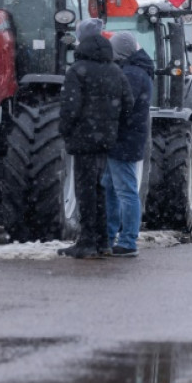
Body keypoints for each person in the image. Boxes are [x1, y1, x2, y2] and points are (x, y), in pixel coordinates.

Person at [57, 19, 134, 259]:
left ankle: (87, 240)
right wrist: (112, 127)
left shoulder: (77, 70)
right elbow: (128, 105)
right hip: (105, 141)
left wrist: (66, 130)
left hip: (83, 140)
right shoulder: (115, 71)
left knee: (85, 190)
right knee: (100, 190)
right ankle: (103, 241)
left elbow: (71, 106)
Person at [103, 32, 153, 257]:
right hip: (125, 138)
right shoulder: (136, 71)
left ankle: (128, 240)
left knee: (125, 191)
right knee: (111, 187)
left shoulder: (131, 73)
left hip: (123, 139)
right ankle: (110, 235)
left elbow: (122, 106)